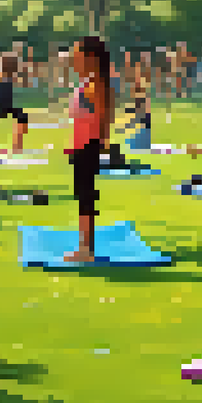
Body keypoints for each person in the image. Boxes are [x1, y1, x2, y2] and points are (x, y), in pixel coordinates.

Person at [65, 36, 115, 263]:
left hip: (88, 147)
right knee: (82, 196)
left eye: (78, 56)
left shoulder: (96, 85)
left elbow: (104, 116)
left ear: (91, 58)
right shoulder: (89, 82)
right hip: (82, 147)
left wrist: (100, 143)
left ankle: (86, 249)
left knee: (85, 197)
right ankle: (85, 246)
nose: (74, 61)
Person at [0, 54, 29, 153]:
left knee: (22, 117)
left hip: (8, 104)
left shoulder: (8, 77)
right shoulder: (0, 76)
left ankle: (17, 146)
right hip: (2, 104)